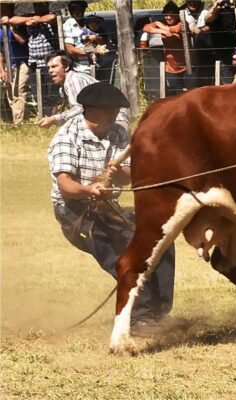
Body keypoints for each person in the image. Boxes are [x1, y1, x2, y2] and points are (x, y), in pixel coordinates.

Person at [47, 82, 175, 334]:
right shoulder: (66, 137)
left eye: (117, 110)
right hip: (75, 211)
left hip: (107, 206)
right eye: (110, 109)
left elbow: (128, 176)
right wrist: (89, 190)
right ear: (91, 109)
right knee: (124, 251)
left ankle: (158, 312)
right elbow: (65, 185)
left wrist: (119, 175)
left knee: (162, 239)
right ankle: (140, 317)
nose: (115, 114)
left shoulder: (117, 133)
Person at [38, 51, 129, 128]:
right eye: (48, 67)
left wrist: (53, 119)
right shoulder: (67, 83)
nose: (50, 71)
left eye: (54, 66)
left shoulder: (74, 80)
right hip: (104, 121)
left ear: (66, 67)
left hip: (114, 122)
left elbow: (79, 109)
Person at [14, 2, 58, 116]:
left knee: (51, 92)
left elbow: (52, 18)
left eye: (40, 5)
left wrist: (37, 20)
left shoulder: (50, 17)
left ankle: (52, 116)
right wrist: (30, 19)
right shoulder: (31, 17)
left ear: (46, 5)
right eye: (36, 5)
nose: (38, 7)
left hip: (48, 62)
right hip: (34, 62)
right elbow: (11, 20)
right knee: (38, 92)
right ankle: (43, 116)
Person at [204, 0, 236, 84]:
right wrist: (215, 8)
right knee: (227, 84)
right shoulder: (218, 7)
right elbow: (207, 18)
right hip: (224, 54)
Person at [143, 2, 190, 96]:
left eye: (171, 15)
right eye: (166, 15)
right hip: (171, 68)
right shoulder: (163, 23)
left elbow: (176, 30)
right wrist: (161, 29)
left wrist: (162, 26)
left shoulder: (182, 23)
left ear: (177, 15)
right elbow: (146, 28)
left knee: (188, 94)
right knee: (175, 95)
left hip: (186, 67)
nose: (168, 17)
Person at [0, 4, 30, 125]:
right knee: (10, 94)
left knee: (19, 91)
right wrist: (2, 70)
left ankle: (19, 123)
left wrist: (11, 26)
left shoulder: (19, 24)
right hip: (7, 64)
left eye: (6, 8)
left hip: (21, 63)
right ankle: (22, 120)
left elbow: (22, 40)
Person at [62, 1, 92, 73]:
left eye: (82, 10)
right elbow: (70, 49)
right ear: (71, 12)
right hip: (78, 69)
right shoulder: (68, 25)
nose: (80, 12)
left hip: (93, 66)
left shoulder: (88, 23)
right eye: (76, 10)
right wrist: (90, 52)